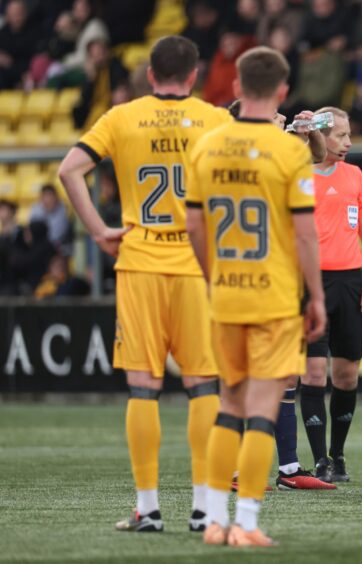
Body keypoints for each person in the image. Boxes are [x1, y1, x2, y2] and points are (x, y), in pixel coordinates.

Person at [58, 35, 230, 534]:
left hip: (140, 263)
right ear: (194, 75)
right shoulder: (214, 118)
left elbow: (70, 171)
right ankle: (204, 509)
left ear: (150, 75)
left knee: (143, 388)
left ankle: (149, 509)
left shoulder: (122, 117)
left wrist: (98, 231)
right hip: (197, 267)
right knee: (203, 388)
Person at [186, 46, 326, 548]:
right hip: (273, 297)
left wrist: (211, 276)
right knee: (263, 411)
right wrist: (316, 296)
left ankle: (214, 520)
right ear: (283, 92)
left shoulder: (207, 145)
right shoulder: (290, 151)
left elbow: (195, 224)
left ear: (237, 88)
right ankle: (245, 522)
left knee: (228, 406)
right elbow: (306, 235)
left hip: (225, 294)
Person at [293, 107, 362, 484]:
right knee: (312, 372)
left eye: (348, 134)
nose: (348, 143)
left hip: (351, 282)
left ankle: (339, 455)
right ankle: (320, 457)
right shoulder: (296, 174)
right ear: (320, 135)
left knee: (345, 374)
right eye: (341, 135)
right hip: (310, 282)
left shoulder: (356, 176)